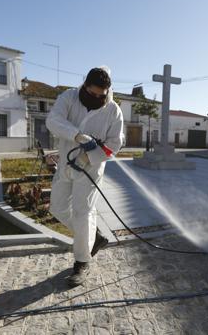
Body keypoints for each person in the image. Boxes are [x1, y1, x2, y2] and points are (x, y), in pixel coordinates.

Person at [46, 66, 124, 287]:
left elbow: (115, 143)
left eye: (103, 95)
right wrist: (77, 136)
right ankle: (94, 237)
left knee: (82, 212)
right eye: (94, 94)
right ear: (85, 86)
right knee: (58, 208)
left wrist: (89, 158)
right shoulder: (69, 97)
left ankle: (82, 262)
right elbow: (53, 120)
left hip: (90, 169)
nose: (98, 98)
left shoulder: (113, 110)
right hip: (65, 164)